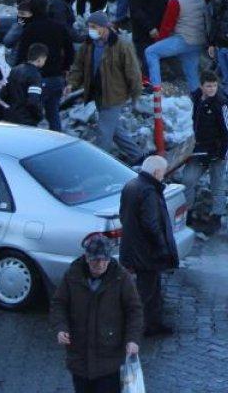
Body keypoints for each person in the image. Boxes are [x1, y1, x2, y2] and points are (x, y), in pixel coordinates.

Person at [52, 235, 142, 393]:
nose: (100, 264)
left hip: (110, 360)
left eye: (104, 260)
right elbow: (59, 304)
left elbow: (134, 311)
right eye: (95, 260)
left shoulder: (122, 278)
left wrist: (132, 340)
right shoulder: (72, 275)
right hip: (79, 358)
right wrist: (61, 328)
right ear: (87, 258)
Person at [67, 12, 144, 163]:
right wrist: (72, 83)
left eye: (94, 27)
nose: (91, 30)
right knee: (113, 128)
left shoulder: (121, 45)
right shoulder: (88, 45)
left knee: (104, 132)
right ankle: (138, 155)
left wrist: (136, 95)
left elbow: (133, 71)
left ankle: (100, 163)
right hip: (97, 93)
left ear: (105, 27)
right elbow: (78, 66)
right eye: (89, 27)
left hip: (115, 94)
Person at [120, 154, 178, 336]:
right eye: (163, 172)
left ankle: (151, 324)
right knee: (147, 291)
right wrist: (162, 248)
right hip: (147, 252)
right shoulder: (149, 191)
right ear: (156, 172)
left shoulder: (131, 185)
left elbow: (124, 215)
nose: (164, 176)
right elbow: (152, 225)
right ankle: (142, 326)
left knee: (150, 289)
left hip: (135, 248)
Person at [183, 72, 228, 236]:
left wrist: (223, 155)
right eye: (208, 86)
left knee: (217, 185)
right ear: (202, 86)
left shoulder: (221, 104)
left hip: (217, 151)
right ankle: (188, 211)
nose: (212, 89)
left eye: (214, 85)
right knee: (188, 180)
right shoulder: (198, 98)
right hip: (199, 149)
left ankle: (216, 217)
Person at [16, 0, 74, 131]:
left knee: (31, 117)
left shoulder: (29, 30)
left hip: (35, 80)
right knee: (53, 115)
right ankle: (57, 145)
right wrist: (65, 68)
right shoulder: (59, 27)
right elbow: (70, 52)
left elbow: (21, 56)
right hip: (56, 78)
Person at [145, 0, 207, 93]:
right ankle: (198, 102)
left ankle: (155, 87)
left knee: (151, 52)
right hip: (198, 40)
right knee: (192, 74)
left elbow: (167, 25)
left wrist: (158, 40)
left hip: (183, 40)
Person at [3, 43, 47, 126]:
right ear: (40, 59)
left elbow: (3, 94)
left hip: (9, 117)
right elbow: (33, 101)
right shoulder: (35, 76)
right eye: (44, 59)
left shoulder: (14, 70)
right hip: (26, 120)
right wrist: (39, 116)